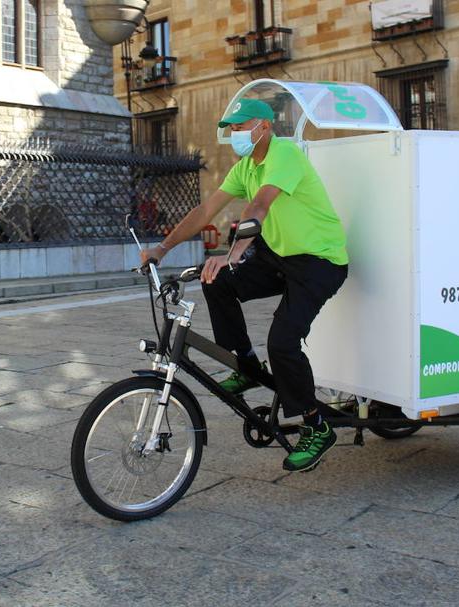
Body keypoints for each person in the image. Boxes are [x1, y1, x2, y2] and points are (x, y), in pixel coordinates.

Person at [139, 98, 349, 472]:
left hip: (319, 261)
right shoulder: (246, 168)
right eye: (232, 128)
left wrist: (233, 254)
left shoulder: (284, 155)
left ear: (264, 127)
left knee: (282, 342)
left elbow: (260, 208)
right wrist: (161, 248)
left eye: (241, 126)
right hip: (279, 255)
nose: (234, 133)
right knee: (215, 278)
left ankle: (316, 427)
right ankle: (246, 366)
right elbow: (205, 212)